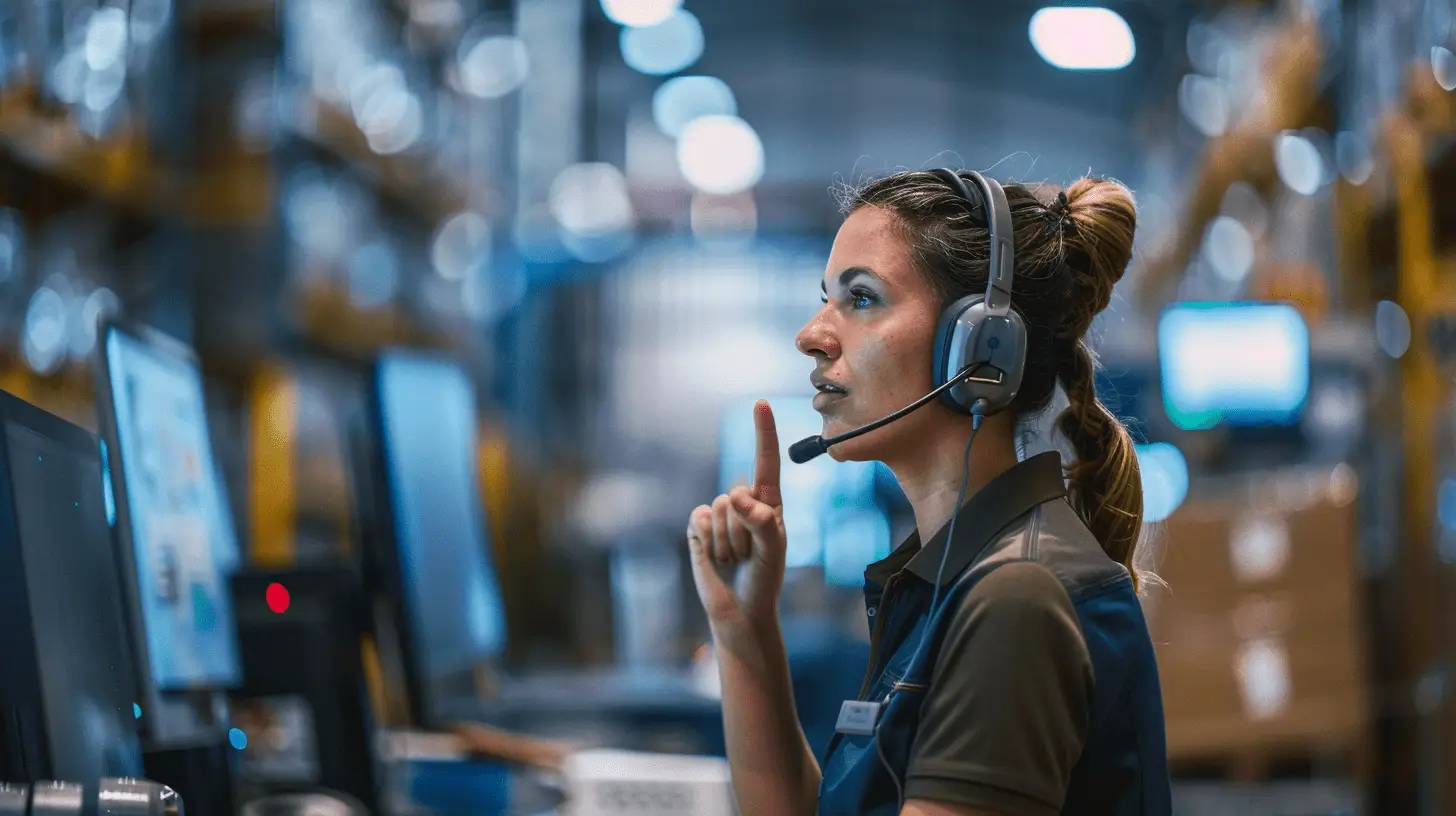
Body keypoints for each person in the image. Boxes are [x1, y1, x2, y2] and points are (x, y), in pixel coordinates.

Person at [685, 169, 1172, 816]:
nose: (811, 334)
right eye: (827, 298)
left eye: (861, 299)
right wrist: (744, 631)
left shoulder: (1015, 597)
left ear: (979, 346)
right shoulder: (951, 580)